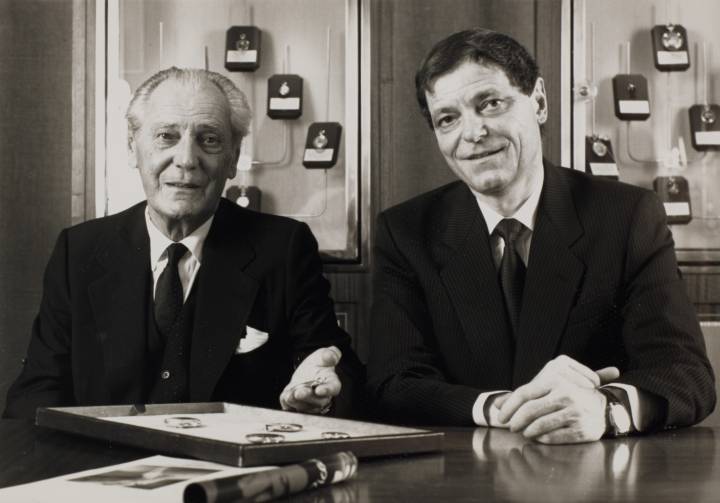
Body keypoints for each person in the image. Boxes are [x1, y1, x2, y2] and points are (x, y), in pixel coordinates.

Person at [367, 28, 715, 443]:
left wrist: (606, 409)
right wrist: (500, 408)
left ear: (539, 102)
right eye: (448, 119)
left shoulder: (626, 217)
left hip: (599, 468)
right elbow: (393, 381)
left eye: (490, 104)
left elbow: (685, 374)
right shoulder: (406, 232)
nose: (473, 132)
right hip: (467, 469)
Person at [4, 67, 362, 420]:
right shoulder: (79, 250)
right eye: (166, 136)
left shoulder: (284, 248)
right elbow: (35, 393)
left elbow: (338, 374)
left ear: (233, 157)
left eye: (209, 139)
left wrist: (320, 396)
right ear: (132, 148)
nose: (187, 160)